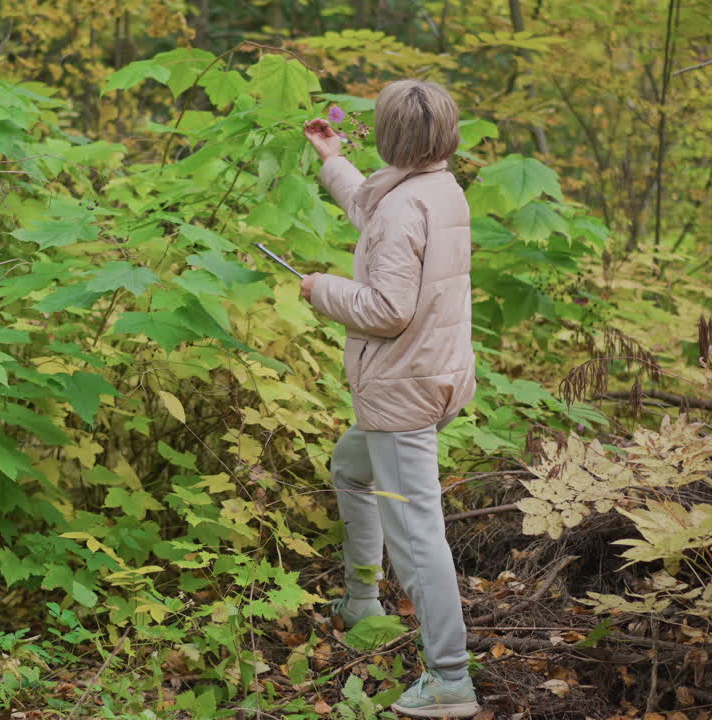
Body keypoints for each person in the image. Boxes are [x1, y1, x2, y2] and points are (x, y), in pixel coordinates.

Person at [300, 79, 479, 718]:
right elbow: (376, 213)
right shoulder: (436, 188)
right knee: (351, 468)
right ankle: (360, 602)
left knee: (417, 531)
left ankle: (450, 680)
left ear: (390, 137)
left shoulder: (408, 206)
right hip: (435, 373)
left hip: (404, 389)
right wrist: (332, 160)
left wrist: (320, 288)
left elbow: (385, 308)